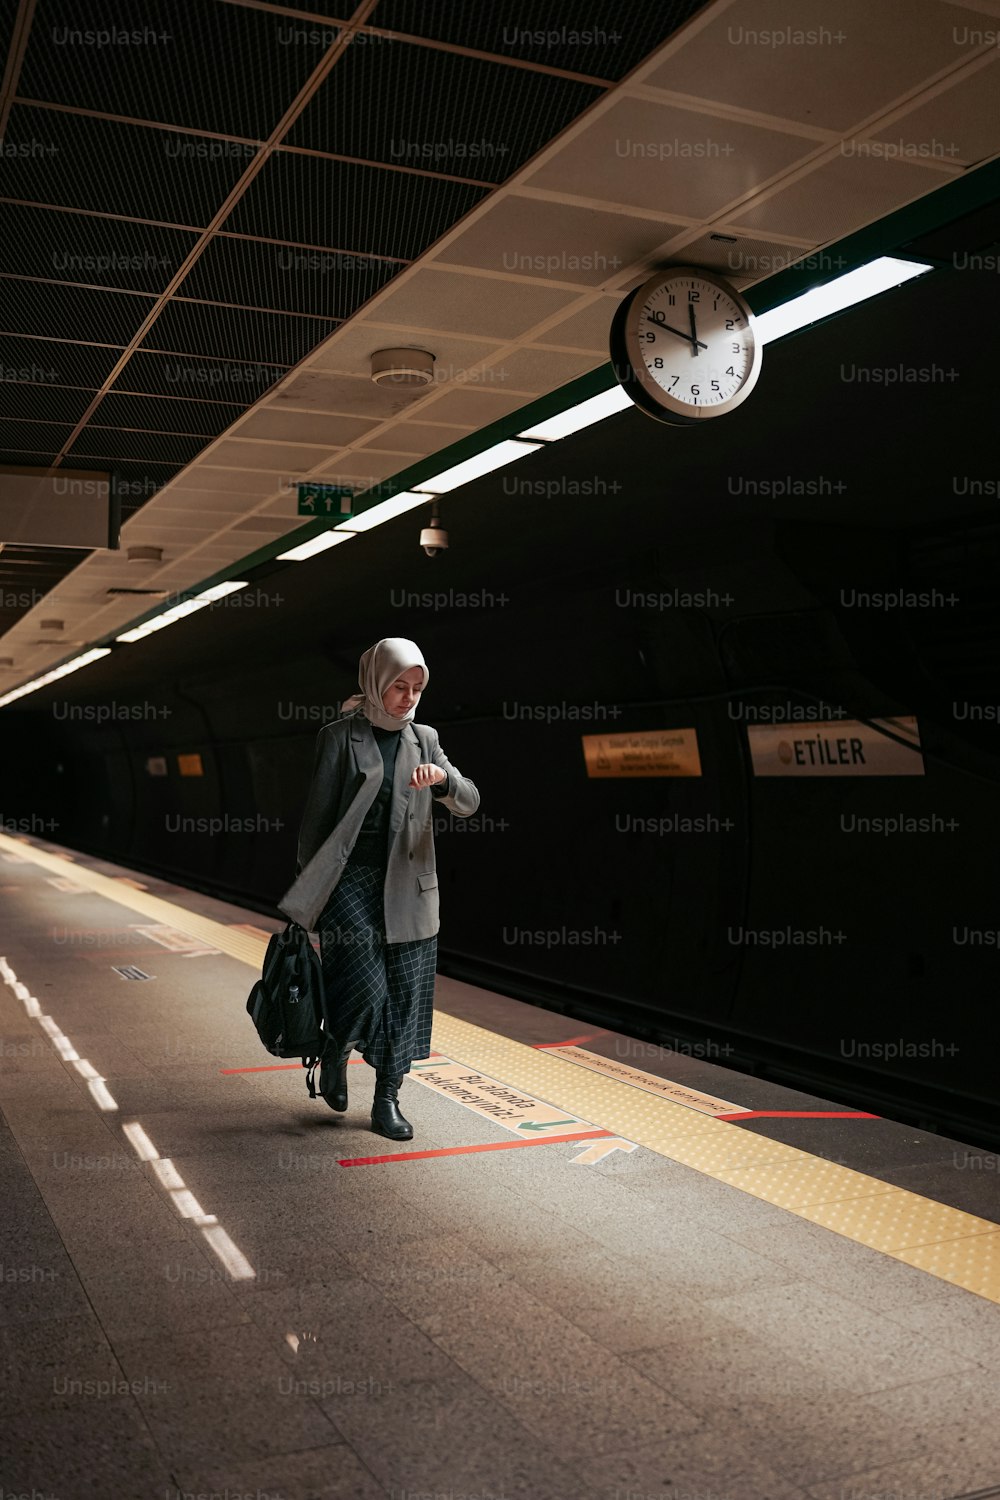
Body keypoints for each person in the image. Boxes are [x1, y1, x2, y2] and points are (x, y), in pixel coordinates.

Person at [278, 638, 480, 1141]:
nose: (408, 697)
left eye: (416, 688)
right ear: (375, 682)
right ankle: (335, 1051)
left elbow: (470, 801)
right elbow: (316, 825)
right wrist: (313, 900)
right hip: (350, 882)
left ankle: (387, 1098)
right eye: (398, 686)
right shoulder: (339, 737)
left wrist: (442, 781)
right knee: (365, 988)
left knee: (406, 998)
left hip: (411, 888)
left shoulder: (426, 739)